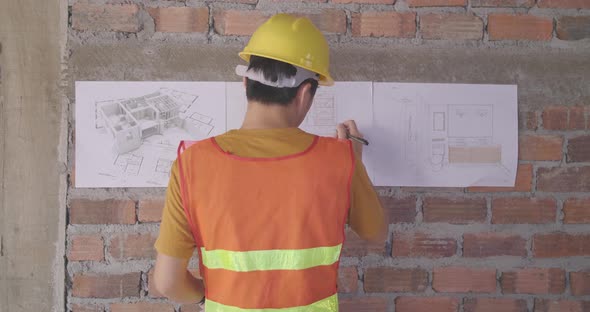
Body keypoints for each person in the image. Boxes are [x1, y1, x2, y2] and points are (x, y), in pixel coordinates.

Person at [153, 13, 385, 311]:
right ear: (305, 94)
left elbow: (168, 282)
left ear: (245, 82)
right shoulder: (340, 159)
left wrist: (206, 297)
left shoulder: (192, 164)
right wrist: (355, 163)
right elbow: (375, 232)